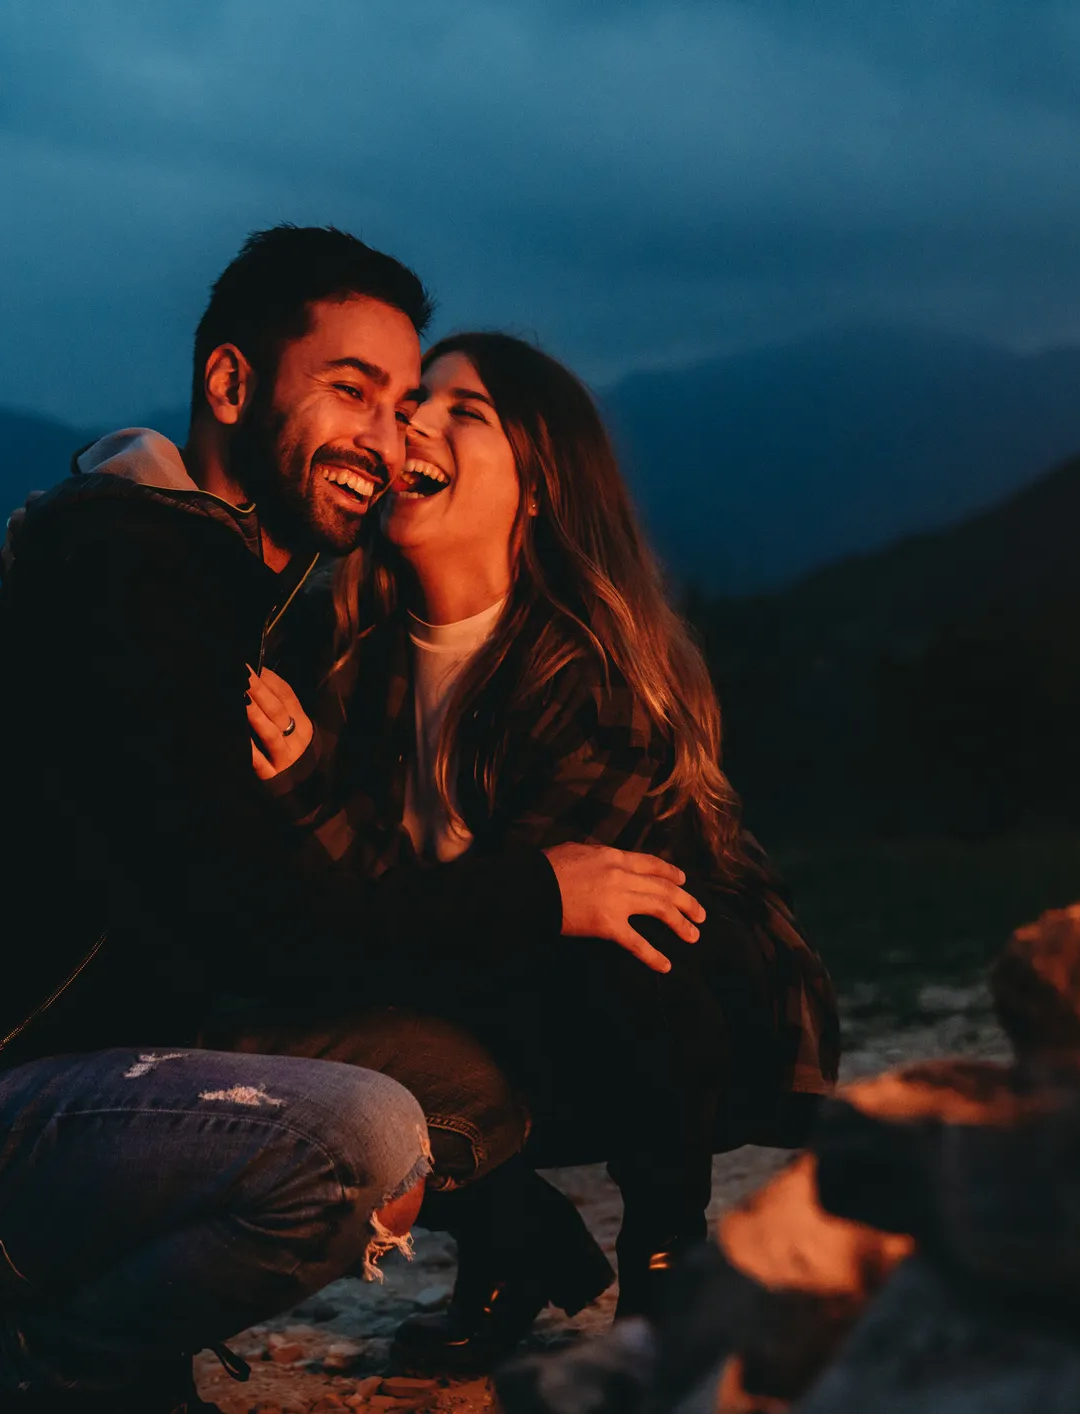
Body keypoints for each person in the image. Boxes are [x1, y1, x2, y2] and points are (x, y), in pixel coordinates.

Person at [0, 228, 705, 1414]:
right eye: (348, 392)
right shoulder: (135, 579)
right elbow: (262, 923)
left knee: (460, 1087)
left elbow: (237, 904)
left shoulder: (223, 583)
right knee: (363, 1135)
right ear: (230, 384)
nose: (384, 440)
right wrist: (543, 891)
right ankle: (28, 1371)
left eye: (401, 403)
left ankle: (102, 1334)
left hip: (73, 1081)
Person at [242, 331, 841, 1372]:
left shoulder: (591, 676)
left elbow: (503, 924)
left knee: (625, 931)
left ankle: (665, 1262)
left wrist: (304, 796)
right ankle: (514, 1248)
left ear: (537, 487)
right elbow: (343, 916)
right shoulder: (357, 671)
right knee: (308, 1003)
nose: (411, 424)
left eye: (460, 411)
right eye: (407, 404)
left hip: (676, 1022)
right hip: (490, 1007)